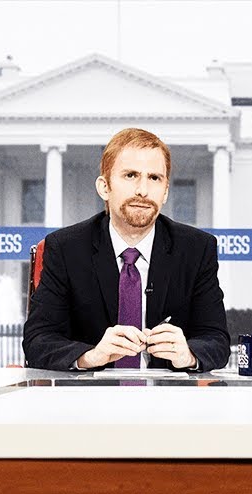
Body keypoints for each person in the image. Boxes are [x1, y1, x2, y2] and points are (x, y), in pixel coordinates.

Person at [22, 128, 229, 371]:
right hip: (89, 392)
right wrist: (91, 356)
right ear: (104, 187)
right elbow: (38, 341)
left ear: (165, 192)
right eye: (131, 175)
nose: (143, 190)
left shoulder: (196, 249)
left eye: (154, 178)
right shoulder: (66, 248)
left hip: (169, 392)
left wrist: (189, 356)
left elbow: (217, 340)